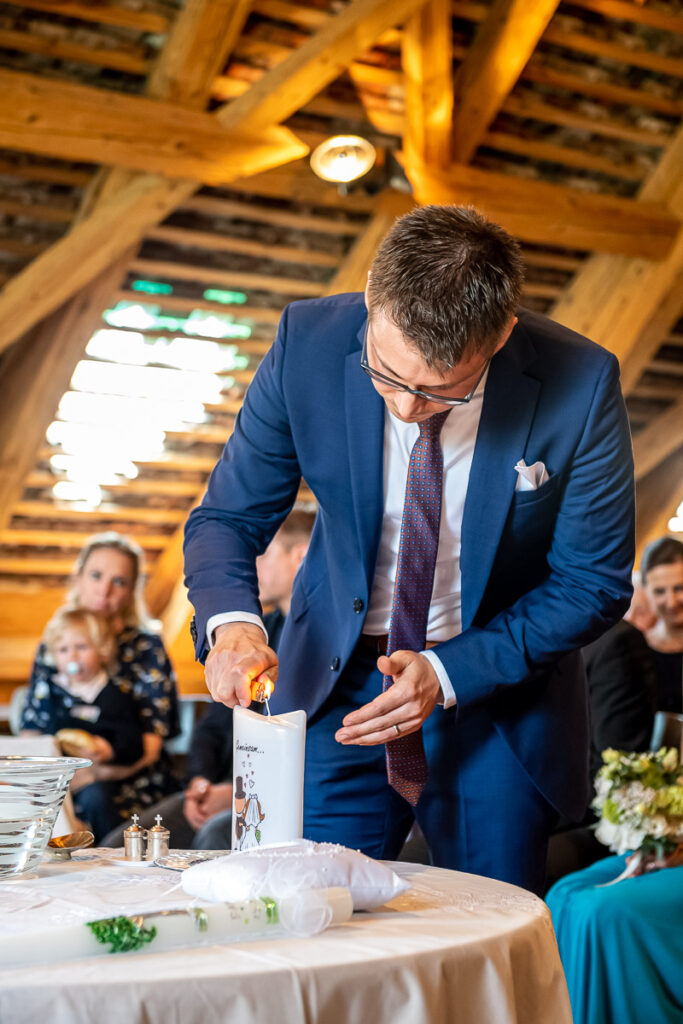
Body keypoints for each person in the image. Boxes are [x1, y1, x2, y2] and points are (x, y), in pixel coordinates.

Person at [184, 204, 635, 895]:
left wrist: (446, 672)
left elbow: (591, 582)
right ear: (372, 297)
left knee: (483, 928)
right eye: (385, 373)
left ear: (500, 337)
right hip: (338, 689)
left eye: (438, 393)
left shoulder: (580, 382)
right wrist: (234, 626)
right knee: (303, 910)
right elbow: (227, 516)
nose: (403, 408)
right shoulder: (305, 342)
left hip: (496, 692)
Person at [100, 511, 314, 850]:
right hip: (214, 790)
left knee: (215, 835)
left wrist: (236, 790)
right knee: (120, 845)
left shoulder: (321, 644)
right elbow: (213, 725)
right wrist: (199, 782)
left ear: (300, 556)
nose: (251, 565)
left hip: (273, 794)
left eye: (263, 553)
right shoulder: (253, 633)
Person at [21, 532, 180, 827]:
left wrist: (91, 775)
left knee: (95, 799)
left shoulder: (145, 648)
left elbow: (150, 747)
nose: (105, 589)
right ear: (78, 578)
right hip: (60, 780)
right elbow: (32, 730)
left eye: (119, 581)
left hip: (130, 778)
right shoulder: (53, 646)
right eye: (96, 575)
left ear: (132, 590)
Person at [24, 607, 145, 840]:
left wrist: (109, 750)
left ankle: (108, 848)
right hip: (55, 780)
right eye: (63, 650)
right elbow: (35, 731)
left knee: (97, 798)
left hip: (97, 778)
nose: (72, 657)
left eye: (81, 647)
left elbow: (132, 741)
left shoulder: (114, 696)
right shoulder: (50, 692)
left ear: (102, 651)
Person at [641, 537, 683, 714]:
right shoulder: (637, 649)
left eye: (679, 588)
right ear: (645, 590)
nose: (671, 602)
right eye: (660, 591)